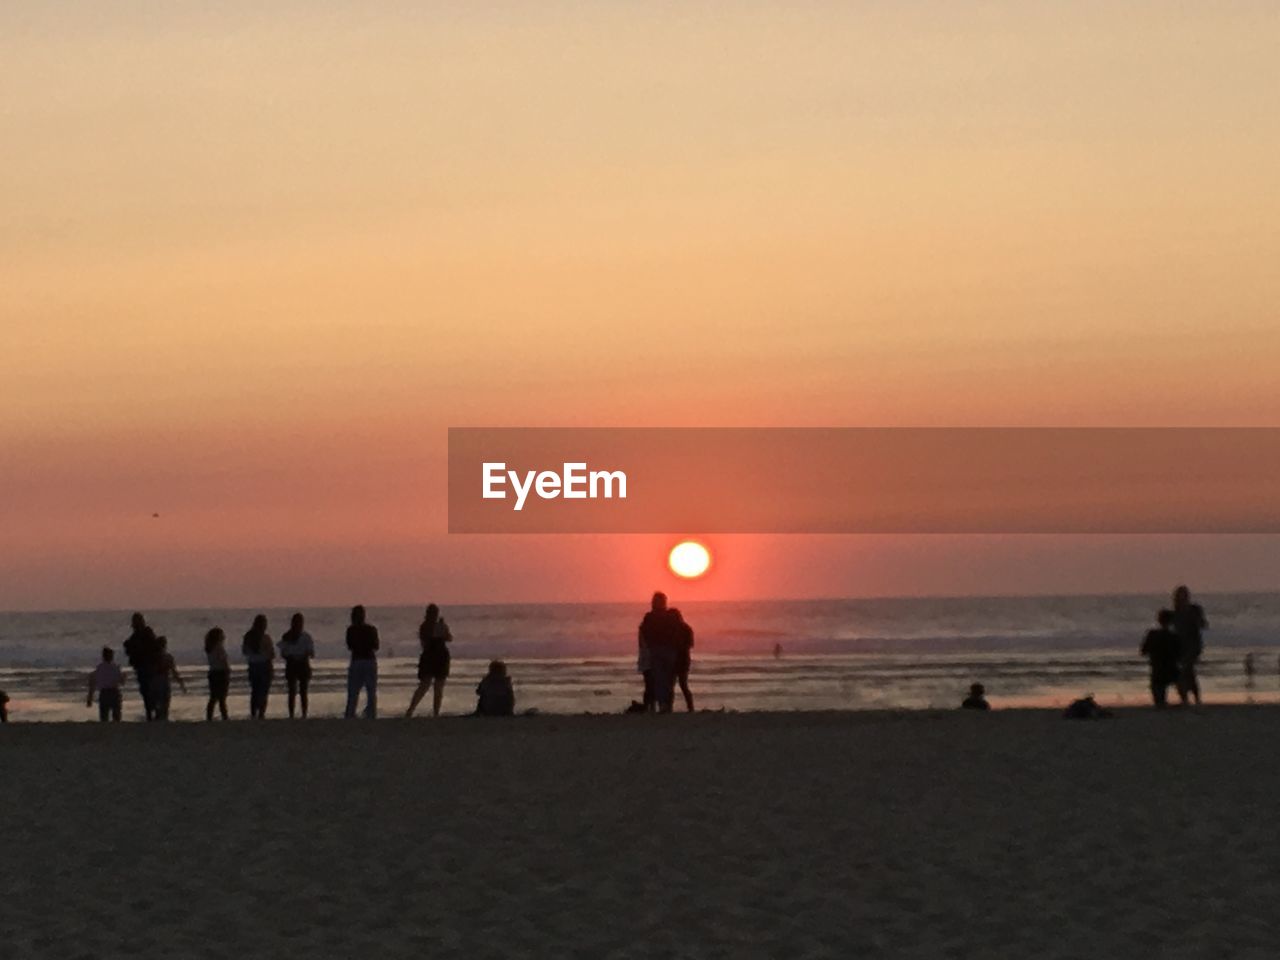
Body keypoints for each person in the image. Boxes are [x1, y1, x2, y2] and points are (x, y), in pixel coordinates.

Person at [638, 592, 682, 713]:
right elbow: (676, 632)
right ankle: (665, 704)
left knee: (660, 679)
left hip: (659, 650)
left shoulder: (651, 617)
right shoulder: (667, 616)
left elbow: (644, 633)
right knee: (666, 679)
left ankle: (663, 704)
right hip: (665, 650)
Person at [406, 604, 452, 718]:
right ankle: (412, 710)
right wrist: (440, 630)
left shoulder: (431, 626)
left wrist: (442, 628)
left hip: (437, 656)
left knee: (435, 686)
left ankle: (434, 712)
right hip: (434, 655)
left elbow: (449, 638)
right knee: (427, 685)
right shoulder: (425, 626)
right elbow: (426, 643)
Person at [1171, 585, 1208, 706]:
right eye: (1180, 595)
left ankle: (1192, 697)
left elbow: (1203, 624)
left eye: (1184, 594)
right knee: (1184, 672)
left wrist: (1197, 621)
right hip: (1179, 645)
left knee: (1187, 669)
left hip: (1193, 644)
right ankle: (1186, 697)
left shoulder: (1194, 609)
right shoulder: (1175, 611)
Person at [1140, 610, 1181, 708]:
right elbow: (1179, 652)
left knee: (1157, 684)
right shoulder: (1174, 636)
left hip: (1157, 664)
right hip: (1170, 665)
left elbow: (1144, 651)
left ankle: (1159, 702)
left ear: (1159, 620)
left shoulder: (1153, 634)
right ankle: (1183, 700)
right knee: (1175, 680)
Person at [278, 612, 315, 719]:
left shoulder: (305, 637)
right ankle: (292, 714)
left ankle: (303, 713)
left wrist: (302, 655)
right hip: (293, 663)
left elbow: (311, 653)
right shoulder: (287, 637)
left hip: (301, 663)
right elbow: (283, 653)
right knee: (293, 691)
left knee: (302, 691)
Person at [345, 605, 379, 719]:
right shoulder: (371, 629)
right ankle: (371, 713)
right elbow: (376, 646)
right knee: (371, 690)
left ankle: (350, 713)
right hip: (369, 660)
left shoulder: (351, 630)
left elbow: (350, 646)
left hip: (357, 660)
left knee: (353, 691)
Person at [123, 612, 159, 721]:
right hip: (142, 666)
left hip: (148, 666)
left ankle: (153, 712)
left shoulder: (146, 633)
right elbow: (130, 652)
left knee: (149, 690)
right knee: (146, 691)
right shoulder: (135, 636)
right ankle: (151, 713)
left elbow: (154, 648)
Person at [242, 615, 275, 719]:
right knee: (264, 691)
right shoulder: (265, 638)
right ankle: (261, 712)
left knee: (255, 690)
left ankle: (253, 712)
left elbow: (245, 652)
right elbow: (272, 654)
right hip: (264, 665)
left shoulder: (248, 637)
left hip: (253, 665)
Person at [150, 636, 187, 721]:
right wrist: (181, 683)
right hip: (163, 681)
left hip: (155, 681)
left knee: (158, 702)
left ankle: (158, 717)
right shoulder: (168, 657)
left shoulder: (152, 658)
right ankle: (164, 718)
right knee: (165, 702)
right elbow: (174, 672)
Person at [87, 646, 124, 722]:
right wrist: (124, 676)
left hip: (104, 694)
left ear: (103, 656)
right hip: (114, 693)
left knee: (104, 718)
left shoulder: (99, 668)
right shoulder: (115, 667)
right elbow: (122, 682)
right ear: (112, 657)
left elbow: (92, 683)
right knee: (117, 717)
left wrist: (90, 698)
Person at [670, 606, 695, 712]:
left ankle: (690, 707)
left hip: (681, 659)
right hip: (679, 659)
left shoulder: (684, 629)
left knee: (680, 685)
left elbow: (689, 644)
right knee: (678, 685)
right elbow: (691, 644)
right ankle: (689, 707)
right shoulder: (685, 628)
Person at [205, 628, 231, 721]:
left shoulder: (210, 647)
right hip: (220, 672)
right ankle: (224, 716)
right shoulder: (218, 647)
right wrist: (228, 670)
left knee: (214, 696)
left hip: (213, 672)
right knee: (222, 697)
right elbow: (222, 660)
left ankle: (209, 716)